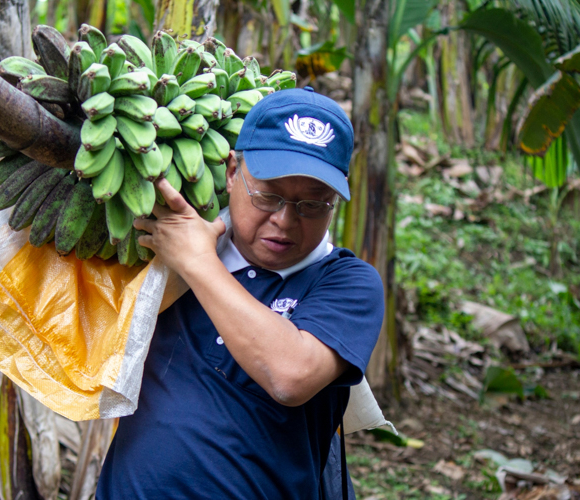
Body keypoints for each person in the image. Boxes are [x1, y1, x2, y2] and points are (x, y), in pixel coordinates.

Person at [95, 86, 385, 499]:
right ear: (232, 171)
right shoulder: (162, 243)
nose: (285, 221)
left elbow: (290, 375)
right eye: (268, 196)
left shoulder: (347, 282)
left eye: (312, 205)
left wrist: (197, 262)